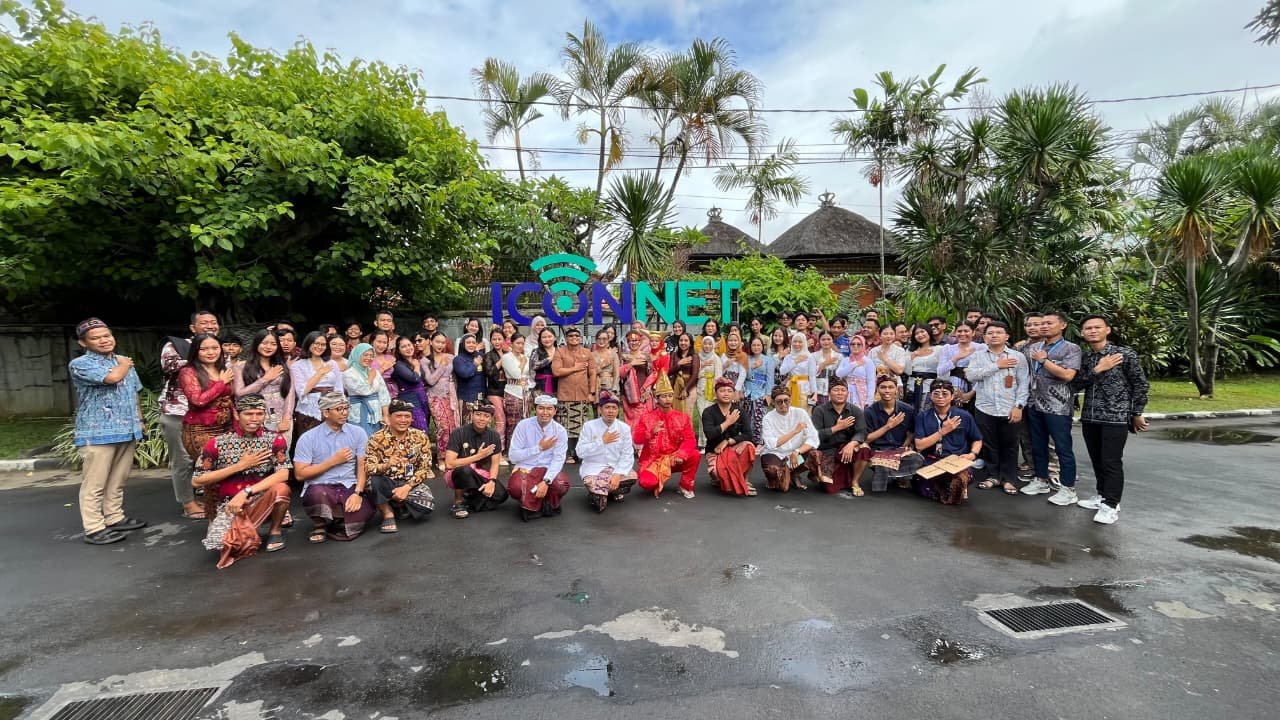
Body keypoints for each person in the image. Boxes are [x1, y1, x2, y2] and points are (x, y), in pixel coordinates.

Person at [69, 318, 146, 545]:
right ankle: (94, 527)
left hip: (127, 429)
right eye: (96, 338)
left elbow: (134, 391)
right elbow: (112, 378)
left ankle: (114, 517)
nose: (104, 340)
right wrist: (125, 364)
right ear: (83, 343)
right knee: (95, 483)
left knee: (118, 479)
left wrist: (140, 420)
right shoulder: (80, 364)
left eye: (107, 335)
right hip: (97, 432)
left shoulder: (122, 361)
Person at [192, 394, 292, 567]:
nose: (254, 419)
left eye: (259, 413)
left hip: (259, 500)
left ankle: (275, 531)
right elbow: (197, 480)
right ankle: (243, 531)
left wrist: (245, 492)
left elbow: (283, 474)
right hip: (229, 507)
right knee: (228, 545)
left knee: (281, 488)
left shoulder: (274, 439)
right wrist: (240, 466)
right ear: (237, 414)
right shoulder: (217, 443)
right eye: (248, 414)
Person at [1073, 315, 1149, 525]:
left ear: (1108, 330)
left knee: (1111, 461)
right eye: (1088, 328)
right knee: (1097, 459)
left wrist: (1137, 412)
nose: (1092, 331)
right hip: (1090, 416)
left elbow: (1140, 384)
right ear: (1082, 333)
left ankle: (1111, 504)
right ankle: (1102, 495)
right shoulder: (1086, 358)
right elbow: (1076, 384)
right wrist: (1098, 369)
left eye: (1097, 327)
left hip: (1115, 417)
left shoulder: (1124, 355)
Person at [159, 310, 220, 520]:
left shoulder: (219, 348)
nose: (210, 326)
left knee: (210, 458)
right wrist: (200, 357)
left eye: (214, 322)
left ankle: (211, 499)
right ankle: (188, 503)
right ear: (193, 328)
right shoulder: (176, 346)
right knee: (183, 460)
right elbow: (169, 366)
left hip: (210, 415)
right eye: (204, 322)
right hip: (179, 413)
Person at [1020, 311, 1082, 506]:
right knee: (1038, 445)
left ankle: (1068, 488)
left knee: (1062, 448)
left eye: (1049, 323)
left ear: (1062, 325)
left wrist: (1044, 361)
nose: (1044, 326)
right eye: (1042, 323)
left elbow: (1067, 375)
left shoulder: (1071, 348)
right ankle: (1041, 480)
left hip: (1057, 405)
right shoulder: (1035, 347)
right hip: (1034, 402)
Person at [293, 393, 372, 542]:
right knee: (316, 494)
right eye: (339, 409)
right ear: (326, 413)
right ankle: (320, 524)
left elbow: (363, 466)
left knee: (359, 516)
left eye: (346, 408)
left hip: (348, 485)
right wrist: (333, 461)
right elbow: (300, 474)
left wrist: (358, 493)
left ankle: (337, 520)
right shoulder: (308, 438)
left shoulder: (358, 432)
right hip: (321, 486)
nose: (344, 412)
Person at [966, 322, 1030, 495]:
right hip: (985, 407)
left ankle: (1009, 479)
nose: (994, 335)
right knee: (989, 444)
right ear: (984, 337)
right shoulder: (978, 356)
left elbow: (1024, 383)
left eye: (998, 332)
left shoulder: (1017, 357)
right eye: (990, 333)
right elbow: (970, 375)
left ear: (1006, 336)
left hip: (1010, 407)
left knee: (1010, 445)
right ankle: (992, 476)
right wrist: (997, 366)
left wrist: (1019, 406)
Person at [365, 399, 436, 533]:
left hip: (409, 482)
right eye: (398, 416)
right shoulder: (376, 439)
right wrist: (386, 465)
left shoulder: (420, 436)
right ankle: (387, 513)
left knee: (427, 505)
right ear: (389, 417)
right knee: (372, 482)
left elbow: (425, 468)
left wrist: (407, 487)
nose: (403, 420)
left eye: (407, 416)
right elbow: (368, 468)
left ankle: (399, 504)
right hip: (385, 482)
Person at [912, 381, 982, 505]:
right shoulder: (922, 416)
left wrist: (972, 454)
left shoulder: (964, 416)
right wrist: (943, 431)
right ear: (931, 396)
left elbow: (977, 439)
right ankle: (945, 489)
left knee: (961, 477)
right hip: (931, 460)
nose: (940, 397)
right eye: (936, 393)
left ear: (952, 396)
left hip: (956, 460)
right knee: (923, 485)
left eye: (945, 394)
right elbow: (919, 446)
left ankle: (953, 486)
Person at [633, 373, 701, 499]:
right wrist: (651, 432)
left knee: (695, 454)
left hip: (674, 458)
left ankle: (684, 485)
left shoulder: (683, 418)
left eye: (670, 395)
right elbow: (636, 438)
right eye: (664, 396)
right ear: (656, 398)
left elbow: (690, 440)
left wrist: (681, 454)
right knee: (646, 483)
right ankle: (658, 478)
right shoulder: (646, 418)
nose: (668, 399)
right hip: (653, 460)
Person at [506, 395, 571, 521]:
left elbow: (558, 460)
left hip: (548, 469)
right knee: (515, 488)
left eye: (549, 409)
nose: (545, 412)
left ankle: (541, 502)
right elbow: (513, 457)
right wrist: (539, 448)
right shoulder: (523, 426)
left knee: (561, 484)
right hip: (526, 468)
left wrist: (546, 481)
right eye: (541, 408)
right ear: (535, 409)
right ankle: (537, 504)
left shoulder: (560, 431)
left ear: (555, 411)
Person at [444, 402, 507, 518]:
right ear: (471, 415)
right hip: (456, 473)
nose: (482, 419)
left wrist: (492, 481)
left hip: (479, 473)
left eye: (486, 416)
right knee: (465, 470)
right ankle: (458, 503)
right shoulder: (458, 433)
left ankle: (471, 500)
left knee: (501, 495)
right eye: (478, 414)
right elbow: (449, 463)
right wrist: (478, 456)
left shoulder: (494, 435)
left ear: (491, 419)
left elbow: (495, 464)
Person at [179, 333, 235, 466]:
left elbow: (230, 397)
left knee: (228, 467)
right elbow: (198, 400)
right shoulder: (188, 371)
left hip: (227, 427)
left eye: (215, 348)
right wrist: (221, 383)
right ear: (195, 351)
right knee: (208, 467)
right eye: (204, 349)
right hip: (201, 429)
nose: (211, 352)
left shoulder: (223, 369)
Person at [576, 391, 637, 512]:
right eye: (607, 407)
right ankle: (600, 493)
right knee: (598, 505)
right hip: (594, 469)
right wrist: (601, 441)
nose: (611, 411)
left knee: (632, 476)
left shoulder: (624, 428)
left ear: (618, 410)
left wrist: (618, 474)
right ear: (600, 409)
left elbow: (627, 455)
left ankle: (611, 491)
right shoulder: (589, 426)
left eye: (614, 408)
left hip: (615, 467)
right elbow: (580, 452)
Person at [863, 376, 923, 492]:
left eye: (891, 387)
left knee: (917, 459)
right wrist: (888, 426)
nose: (887, 391)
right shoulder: (869, 411)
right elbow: (866, 439)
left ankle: (898, 475)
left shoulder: (907, 409)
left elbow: (911, 432)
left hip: (899, 449)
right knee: (881, 464)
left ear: (896, 389)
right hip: (878, 450)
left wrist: (904, 446)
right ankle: (890, 479)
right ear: (877, 389)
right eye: (883, 387)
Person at [809, 378, 869, 496]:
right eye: (836, 390)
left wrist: (851, 444)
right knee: (829, 489)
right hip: (827, 452)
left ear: (848, 393)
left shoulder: (855, 410)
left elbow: (862, 432)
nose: (840, 393)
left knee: (864, 449)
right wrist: (837, 427)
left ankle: (855, 481)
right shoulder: (819, 410)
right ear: (829, 393)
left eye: (843, 390)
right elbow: (814, 435)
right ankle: (823, 473)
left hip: (847, 450)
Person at [234, 329, 295, 440]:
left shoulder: (283, 367)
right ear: (256, 344)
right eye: (264, 343)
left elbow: (290, 394)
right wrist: (265, 379)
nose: (268, 347)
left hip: (281, 419)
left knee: (281, 449)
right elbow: (239, 394)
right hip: (254, 419)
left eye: (273, 344)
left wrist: (287, 418)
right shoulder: (241, 367)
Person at [702, 378, 758, 497]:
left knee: (749, 446)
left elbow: (748, 435)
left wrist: (728, 441)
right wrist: (727, 422)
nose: (726, 394)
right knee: (718, 474)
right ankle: (721, 479)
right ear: (716, 393)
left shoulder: (739, 411)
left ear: (733, 394)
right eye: (722, 390)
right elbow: (710, 434)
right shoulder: (708, 412)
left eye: (729, 391)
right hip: (715, 451)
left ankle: (744, 480)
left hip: (733, 448)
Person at [760, 385, 820, 492]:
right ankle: (776, 478)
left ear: (790, 400)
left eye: (786, 401)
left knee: (815, 455)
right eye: (779, 402)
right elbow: (771, 444)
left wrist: (797, 451)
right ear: (773, 402)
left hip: (795, 456)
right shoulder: (767, 418)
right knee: (774, 474)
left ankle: (793, 473)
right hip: (775, 454)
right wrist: (794, 432)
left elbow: (813, 438)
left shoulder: (800, 413)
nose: (783, 404)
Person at [289, 331, 345, 443]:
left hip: (332, 408)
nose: (319, 347)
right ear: (308, 343)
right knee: (310, 442)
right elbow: (302, 391)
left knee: (333, 441)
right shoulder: (297, 365)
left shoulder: (332, 363)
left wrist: (341, 407)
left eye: (323, 344)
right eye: (316, 343)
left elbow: (339, 388)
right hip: (309, 410)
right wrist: (319, 373)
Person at [553, 327, 598, 463]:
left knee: (581, 426)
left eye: (577, 336)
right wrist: (575, 368)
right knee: (564, 426)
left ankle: (579, 453)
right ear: (566, 338)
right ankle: (567, 454)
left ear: (581, 338)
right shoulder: (560, 352)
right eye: (571, 336)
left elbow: (593, 373)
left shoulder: (587, 353)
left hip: (582, 395)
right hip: (565, 395)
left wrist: (592, 392)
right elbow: (556, 371)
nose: (574, 338)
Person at [422, 331, 459, 464]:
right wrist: (442, 365)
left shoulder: (451, 357)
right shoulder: (425, 360)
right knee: (442, 426)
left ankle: (452, 456)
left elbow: (456, 375)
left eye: (443, 342)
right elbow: (430, 380)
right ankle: (441, 457)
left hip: (450, 394)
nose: (440, 345)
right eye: (437, 342)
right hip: (435, 396)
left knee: (453, 425)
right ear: (431, 342)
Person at [343, 343, 391, 439]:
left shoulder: (374, 371)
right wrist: (370, 378)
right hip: (358, 413)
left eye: (371, 356)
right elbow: (363, 391)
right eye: (365, 355)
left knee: (377, 440)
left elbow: (383, 394)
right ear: (357, 355)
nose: (369, 358)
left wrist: (386, 415)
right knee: (361, 439)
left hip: (376, 413)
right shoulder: (348, 374)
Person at [936, 322, 985, 410]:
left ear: (973, 332)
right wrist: (956, 358)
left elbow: (984, 373)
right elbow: (940, 371)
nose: (962, 334)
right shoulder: (948, 348)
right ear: (955, 333)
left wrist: (971, 393)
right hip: (954, 390)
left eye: (966, 331)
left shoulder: (981, 348)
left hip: (977, 391)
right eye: (959, 331)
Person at [742, 336, 776, 446]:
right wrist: (753, 366)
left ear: (762, 346)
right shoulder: (746, 359)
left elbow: (770, 378)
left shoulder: (768, 360)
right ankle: (748, 441)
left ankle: (759, 442)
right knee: (747, 417)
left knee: (759, 417)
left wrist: (768, 394)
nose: (756, 347)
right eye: (754, 345)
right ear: (750, 346)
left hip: (761, 392)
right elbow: (745, 376)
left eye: (758, 345)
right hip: (748, 391)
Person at [500, 333, 531, 454]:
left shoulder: (525, 356)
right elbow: (516, 374)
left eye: (522, 343)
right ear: (511, 344)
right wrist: (522, 363)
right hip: (512, 392)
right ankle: (511, 452)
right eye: (517, 343)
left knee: (525, 422)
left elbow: (527, 374)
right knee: (513, 423)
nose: (520, 346)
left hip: (525, 393)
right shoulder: (507, 357)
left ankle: (523, 451)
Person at [390, 336, 429, 431]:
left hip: (422, 399)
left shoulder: (414, 361)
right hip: (410, 401)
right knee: (419, 428)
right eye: (403, 347)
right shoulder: (399, 365)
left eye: (409, 345)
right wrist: (417, 366)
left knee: (424, 428)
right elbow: (415, 379)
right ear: (398, 351)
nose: (408, 348)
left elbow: (423, 378)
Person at [620, 329, 657, 426]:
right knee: (632, 424)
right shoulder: (623, 357)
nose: (634, 343)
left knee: (647, 422)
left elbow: (652, 374)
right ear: (627, 343)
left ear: (640, 342)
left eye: (636, 340)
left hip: (645, 394)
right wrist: (631, 364)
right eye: (631, 341)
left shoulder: (646, 356)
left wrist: (647, 389)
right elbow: (620, 374)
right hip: (629, 395)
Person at [905, 323, 942, 416]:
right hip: (912, 386)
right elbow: (907, 371)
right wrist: (912, 357)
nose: (920, 335)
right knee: (911, 413)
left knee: (927, 414)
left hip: (930, 386)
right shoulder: (910, 350)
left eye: (922, 332)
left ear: (928, 332)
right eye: (917, 333)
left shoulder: (939, 349)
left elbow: (942, 370)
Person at [836, 334, 878, 408]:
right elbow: (838, 374)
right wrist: (854, 364)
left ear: (863, 345)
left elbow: (871, 382)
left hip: (862, 394)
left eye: (859, 344)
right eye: (853, 344)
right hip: (846, 392)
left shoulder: (868, 361)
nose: (855, 346)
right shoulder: (845, 360)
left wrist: (869, 400)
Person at [483, 328, 509, 444]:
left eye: (499, 339)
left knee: (509, 420)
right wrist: (502, 360)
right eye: (494, 339)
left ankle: (507, 447)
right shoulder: (488, 355)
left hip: (508, 391)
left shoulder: (509, 354)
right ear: (490, 341)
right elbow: (490, 372)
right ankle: (498, 447)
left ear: (504, 340)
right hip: (494, 391)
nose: (497, 342)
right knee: (500, 419)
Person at [453, 334, 486, 420]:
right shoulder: (458, 359)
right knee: (467, 424)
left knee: (481, 423)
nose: (471, 344)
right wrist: (474, 364)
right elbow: (464, 374)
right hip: (466, 398)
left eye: (473, 343)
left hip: (480, 397)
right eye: (468, 342)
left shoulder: (480, 356)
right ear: (463, 344)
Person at [779, 333, 817, 409]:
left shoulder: (809, 357)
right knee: (789, 410)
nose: (797, 344)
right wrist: (795, 361)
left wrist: (815, 393)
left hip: (805, 388)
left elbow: (812, 376)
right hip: (790, 387)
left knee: (804, 411)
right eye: (795, 341)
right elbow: (782, 371)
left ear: (804, 343)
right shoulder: (788, 357)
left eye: (800, 342)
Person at [669, 332, 700, 424]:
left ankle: (687, 433)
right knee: (675, 414)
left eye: (686, 340)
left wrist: (686, 389)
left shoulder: (694, 356)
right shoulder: (674, 355)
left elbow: (695, 375)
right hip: (675, 387)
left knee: (687, 415)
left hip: (690, 387)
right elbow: (669, 371)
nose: (683, 343)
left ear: (690, 343)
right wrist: (679, 364)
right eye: (681, 340)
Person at [812, 331, 843, 405]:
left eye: (829, 339)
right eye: (823, 339)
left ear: (832, 340)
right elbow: (811, 373)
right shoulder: (813, 356)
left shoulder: (838, 356)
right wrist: (825, 363)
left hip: (833, 387)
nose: (826, 342)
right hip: (818, 387)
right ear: (819, 341)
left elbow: (841, 375)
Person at [530, 327, 559, 397]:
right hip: (540, 386)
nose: (547, 339)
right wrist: (551, 358)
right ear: (540, 339)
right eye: (544, 337)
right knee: (542, 403)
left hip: (558, 385)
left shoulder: (560, 351)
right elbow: (533, 366)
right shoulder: (536, 351)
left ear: (555, 338)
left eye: (550, 336)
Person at [593, 329, 620, 395]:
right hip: (596, 386)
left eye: (604, 339)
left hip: (610, 385)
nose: (601, 341)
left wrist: (614, 388)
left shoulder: (613, 354)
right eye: (599, 339)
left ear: (608, 340)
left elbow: (616, 373)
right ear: (596, 340)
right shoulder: (591, 355)